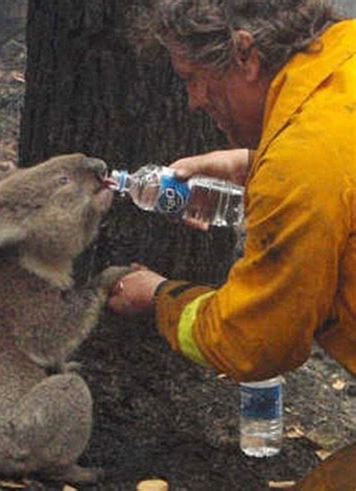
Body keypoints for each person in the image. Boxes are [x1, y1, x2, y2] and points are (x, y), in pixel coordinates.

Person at [107, 1, 355, 488]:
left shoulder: (302, 166)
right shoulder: (344, 62)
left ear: (245, 54)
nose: (194, 100)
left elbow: (255, 343)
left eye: (192, 78)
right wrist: (252, 165)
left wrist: (158, 297)